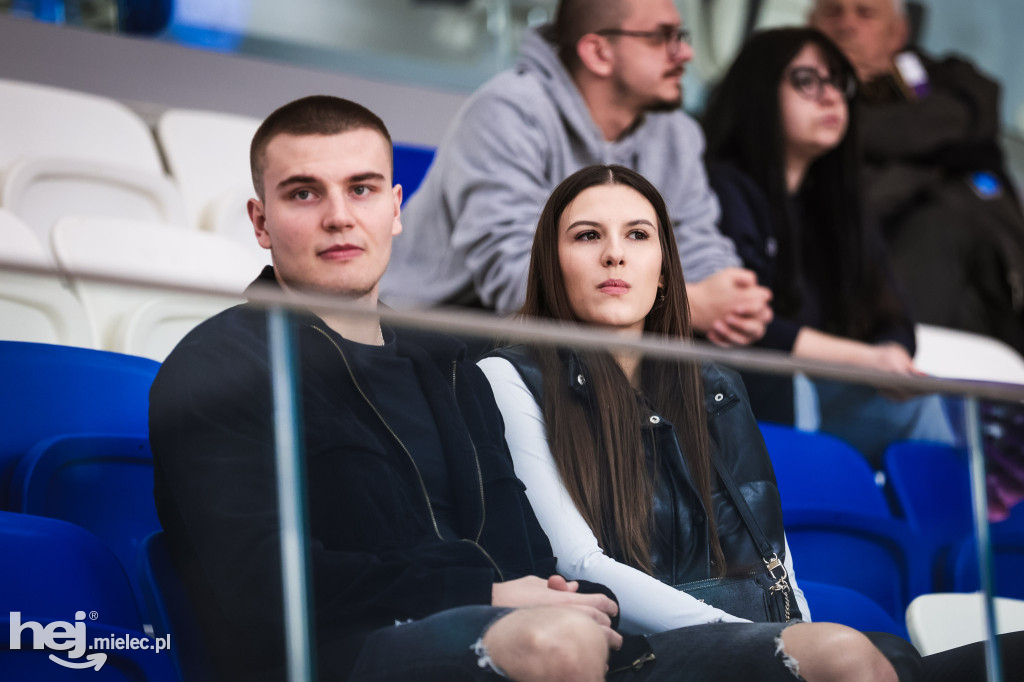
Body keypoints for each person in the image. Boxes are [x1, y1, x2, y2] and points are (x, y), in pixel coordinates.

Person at [149, 95, 903, 682]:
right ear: (260, 219)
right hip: (345, 657)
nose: (340, 216)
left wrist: (532, 593)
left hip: (526, 630)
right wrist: (482, 589)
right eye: (304, 193)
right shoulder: (219, 366)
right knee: (558, 640)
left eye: (363, 188)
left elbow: (529, 549)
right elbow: (256, 585)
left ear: (397, 207)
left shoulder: (451, 363)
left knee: (840, 656)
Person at [478, 163, 914, 679]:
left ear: (663, 271)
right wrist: (760, 641)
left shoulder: (715, 383)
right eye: (588, 235)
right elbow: (578, 564)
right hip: (620, 647)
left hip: (738, 637)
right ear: (553, 264)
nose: (614, 253)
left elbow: (772, 553)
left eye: (637, 235)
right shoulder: (507, 375)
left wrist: (797, 631)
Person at [382, 0, 773, 349]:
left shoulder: (676, 132)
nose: (685, 53)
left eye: (681, 36)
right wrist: (685, 304)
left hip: (590, 337)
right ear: (598, 52)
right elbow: (515, 281)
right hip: (437, 336)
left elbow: (696, 242)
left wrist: (731, 300)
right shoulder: (506, 112)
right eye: (661, 38)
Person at [701, 27, 953, 465]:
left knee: (918, 402)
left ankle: (948, 536)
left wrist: (891, 354)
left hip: (819, 393)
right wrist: (864, 359)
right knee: (788, 386)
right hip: (741, 399)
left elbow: (893, 316)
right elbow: (744, 326)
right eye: (806, 81)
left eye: (839, 82)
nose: (831, 97)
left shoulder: (839, 205)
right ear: (759, 91)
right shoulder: (720, 188)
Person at [809, 0, 1024, 353]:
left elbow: (971, 112)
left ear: (898, 32)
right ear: (810, 25)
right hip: (858, 300)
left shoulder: (954, 80)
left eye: (864, 13)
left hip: (993, 295)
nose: (846, 26)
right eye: (833, 13)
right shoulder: (786, 97)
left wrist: (859, 117)